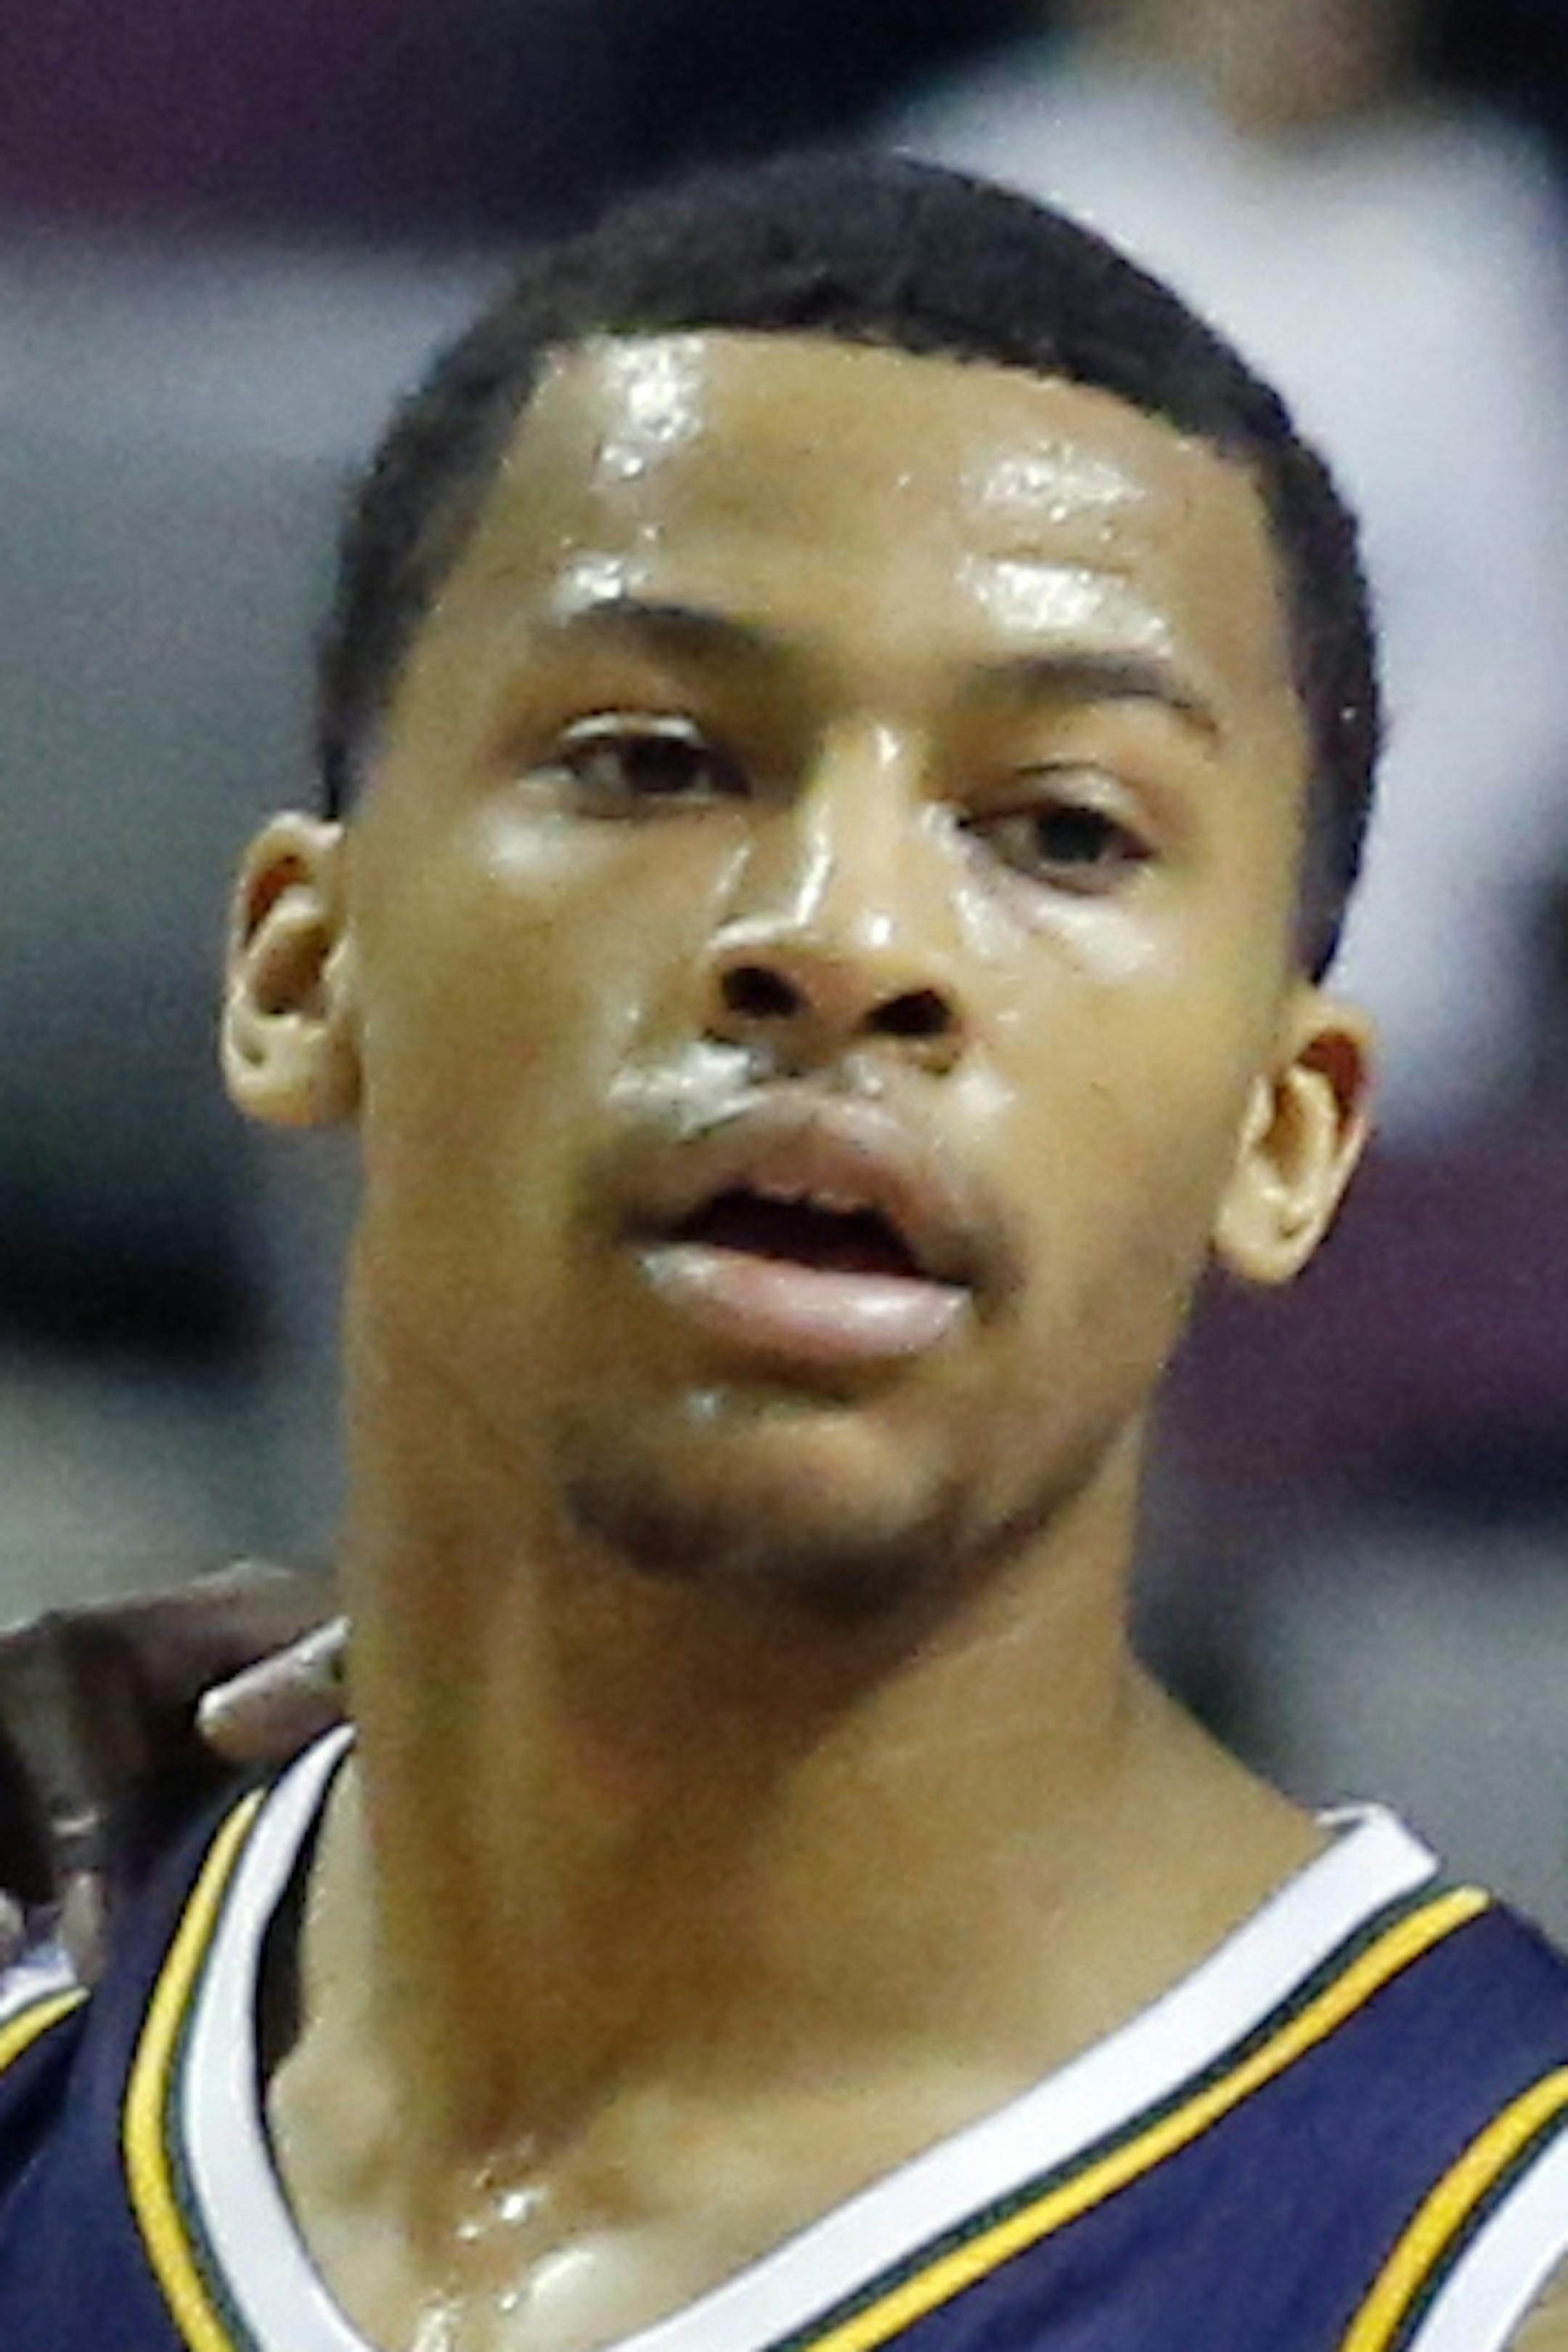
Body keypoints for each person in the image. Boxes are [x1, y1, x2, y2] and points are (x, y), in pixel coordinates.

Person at [3, 153, 1567, 2351]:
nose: (842, 937)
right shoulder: (47, 2029)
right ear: (298, 967)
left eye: (1062, 829)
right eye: (656, 763)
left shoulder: (1493, 2262)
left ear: (1286, 1131)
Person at [888, 0, 1568, 1140]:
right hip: (1031, 875)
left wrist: (1343, 835)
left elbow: (1524, 641)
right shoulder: (1006, 172)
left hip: (1404, 933)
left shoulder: (1470, 224)